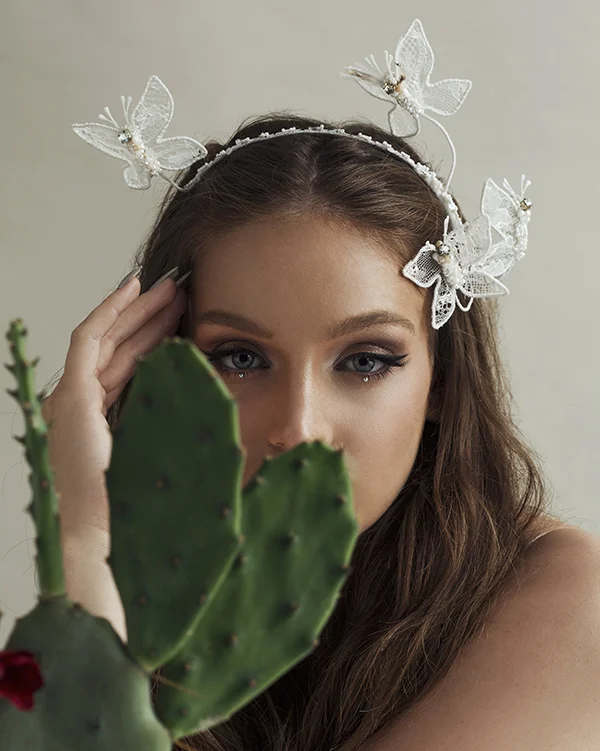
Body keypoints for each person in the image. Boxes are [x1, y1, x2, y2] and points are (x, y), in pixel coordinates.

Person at [38, 112, 575, 751]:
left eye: (366, 361)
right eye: (239, 358)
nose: (298, 428)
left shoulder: (566, 594)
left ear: (443, 379)